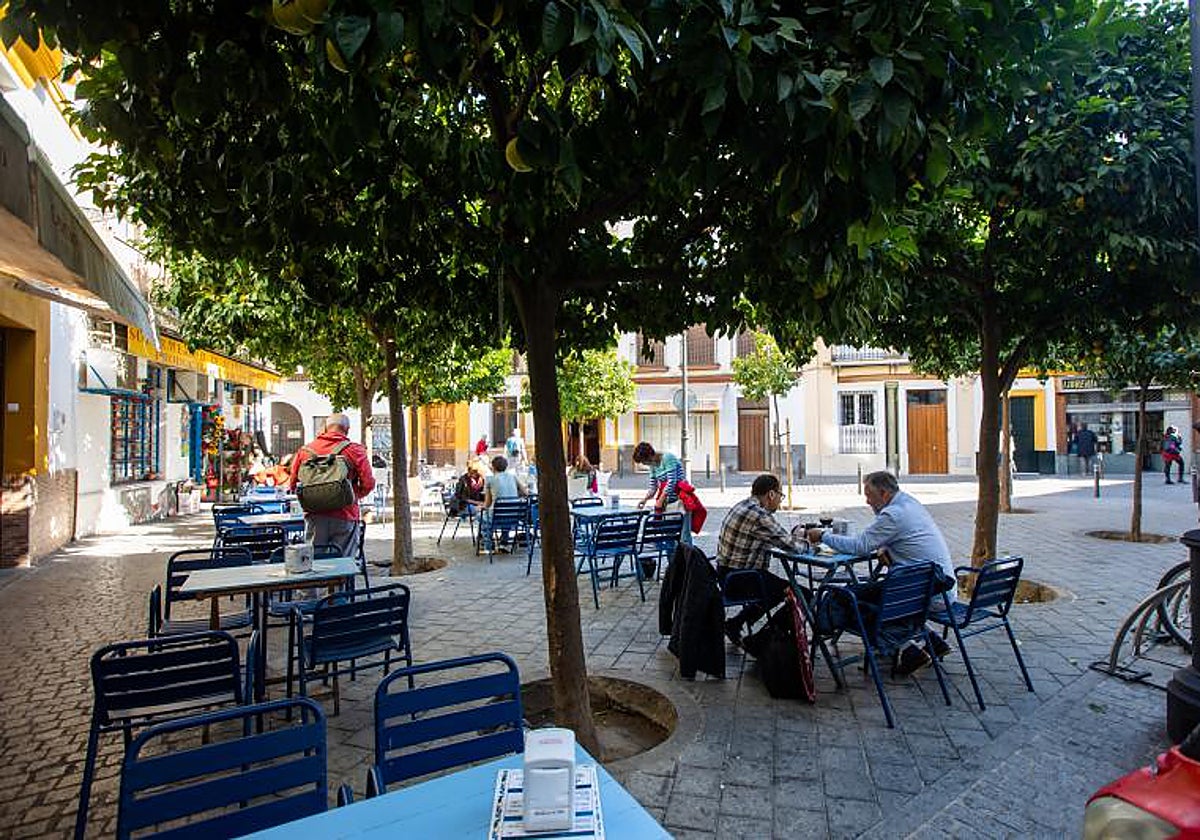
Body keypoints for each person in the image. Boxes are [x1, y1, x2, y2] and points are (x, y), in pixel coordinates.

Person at [806, 471, 956, 676]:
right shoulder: (908, 503)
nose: (867, 501)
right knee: (865, 593)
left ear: (884, 493)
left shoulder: (893, 514)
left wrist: (823, 535)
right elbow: (894, 537)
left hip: (925, 594)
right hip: (935, 585)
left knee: (846, 598)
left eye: (869, 495)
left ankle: (908, 647)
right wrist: (886, 547)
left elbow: (861, 545)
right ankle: (930, 641)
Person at [716, 473, 810, 647]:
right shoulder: (759, 515)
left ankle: (735, 624)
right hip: (741, 578)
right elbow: (793, 546)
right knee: (803, 595)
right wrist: (811, 540)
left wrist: (791, 538)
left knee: (777, 588)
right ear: (771, 494)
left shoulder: (742, 505)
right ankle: (759, 642)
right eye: (780, 496)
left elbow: (777, 537)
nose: (780, 501)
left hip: (726, 574)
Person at [288, 414, 375, 557]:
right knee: (344, 561)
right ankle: (343, 580)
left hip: (315, 514)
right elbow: (368, 483)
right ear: (347, 429)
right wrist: (352, 496)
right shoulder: (355, 450)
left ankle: (320, 580)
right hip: (345, 514)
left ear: (325, 428)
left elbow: (293, 484)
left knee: (315, 562)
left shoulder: (304, 452)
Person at [633, 441, 691, 545]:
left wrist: (660, 500)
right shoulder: (652, 466)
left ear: (651, 455)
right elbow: (653, 487)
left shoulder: (668, 458)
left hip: (681, 501)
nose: (645, 464)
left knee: (684, 537)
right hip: (668, 504)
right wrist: (644, 500)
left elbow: (672, 481)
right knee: (668, 537)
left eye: (645, 461)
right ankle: (673, 561)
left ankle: (688, 560)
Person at [479, 455, 529, 551]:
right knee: (506, 514)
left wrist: (480, 507)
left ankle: (488, 545)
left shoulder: (490, 480)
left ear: (493, 467)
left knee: (480, 517)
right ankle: (504, 542)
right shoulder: (513, 477)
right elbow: (526, 493)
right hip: (514, 516)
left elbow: (487, 504)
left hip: (496, 517)